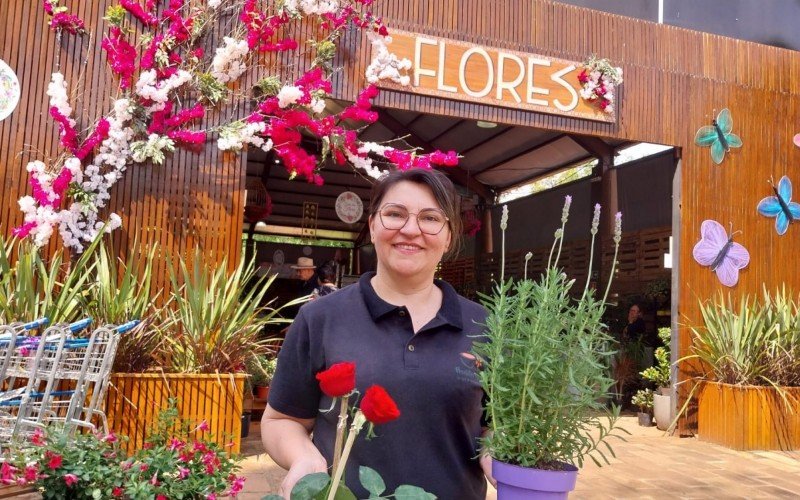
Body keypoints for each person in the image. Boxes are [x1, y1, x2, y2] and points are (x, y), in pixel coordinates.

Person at [261, 169, 494, 499]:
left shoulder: (484, 325)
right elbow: (280, 421)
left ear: (449, 236)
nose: (410, 229)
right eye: (395, 214)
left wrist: (498, 453)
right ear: (372, 225)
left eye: (430, 218)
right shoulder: (320, 318)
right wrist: (304, 457)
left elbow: (494, 423)